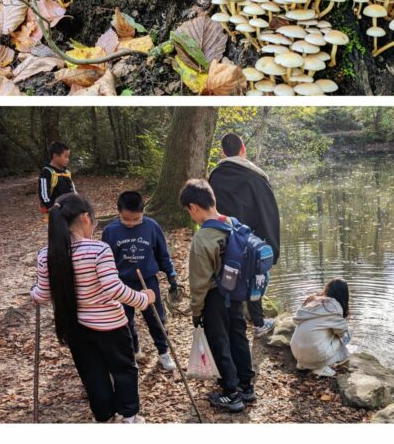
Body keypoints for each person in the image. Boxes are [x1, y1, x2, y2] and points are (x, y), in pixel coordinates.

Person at [31, 192, 150, 423]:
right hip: (111, 326)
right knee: (124, 369)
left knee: (92, 374)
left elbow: (42, 295)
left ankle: (104, 418)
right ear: (85, 218)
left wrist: (32, 293)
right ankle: (128, 418)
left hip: (74, 327)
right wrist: (144, 298)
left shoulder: (46, 255)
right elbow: (114, 289)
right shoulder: (98, 250)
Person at [180, 178, 254, 413]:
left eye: (188, 212)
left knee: (219, 341)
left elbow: (199, 282)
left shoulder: (203, 238)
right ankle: (246, 386)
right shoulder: (233, 223)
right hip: (236, 293)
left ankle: (231, 394)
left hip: (215, 297)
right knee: (238, 336)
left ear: (193, 207)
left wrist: (196, 311)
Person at [208, 131, 281, 333]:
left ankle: (234, 321)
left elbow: (210, 209)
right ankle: (258, 323)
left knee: (228, 277)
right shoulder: (255, 177)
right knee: (255, 278)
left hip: (224, 238)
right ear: (243, 149)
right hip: (251, 239)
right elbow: (269, 214)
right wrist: (272, 249)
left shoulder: (215, 176)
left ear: (223, 152)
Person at [101, 191, 178, 371]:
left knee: (156, 318)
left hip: (148, 282)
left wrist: (171, 275)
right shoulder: (110, 231)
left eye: (137, 219)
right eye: (127, 219)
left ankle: (163, 352)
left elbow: (163, 254)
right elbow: (105, 261)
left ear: (143, 212)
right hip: (122, 283)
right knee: (125, 321)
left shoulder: (151, 226)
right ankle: (134, 351)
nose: (132, 223)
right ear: (118, 212)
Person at [290, 278, 351, 377]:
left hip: (296, 351)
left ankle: (303, 364)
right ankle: (319, 367)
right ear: (344, 295)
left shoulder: (313, 301)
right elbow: (341, 334)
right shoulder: (335, 308)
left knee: (320, 331)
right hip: (314, 354)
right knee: (345, 337)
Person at [39, 141, 75, 214]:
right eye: (65, 156)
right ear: (55, 156)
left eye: (68, 157)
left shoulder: (67, 172)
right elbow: (44, 196)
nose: (68, 159)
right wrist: (53, 209)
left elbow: (73, 191)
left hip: (69, 211)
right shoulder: (47, 172)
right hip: (57, 214)